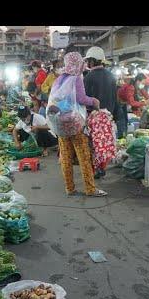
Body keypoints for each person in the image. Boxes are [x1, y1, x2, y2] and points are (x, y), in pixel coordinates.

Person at [48, 51, 106, 197]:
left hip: (60, 123)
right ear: (78, 63)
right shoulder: (76, 78)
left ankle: (70, 188)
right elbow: (81, 98)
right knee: (84, 156)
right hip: (74, 123)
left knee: (66, 157)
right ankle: (90, 189)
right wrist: (94, 101)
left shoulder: (59, 79)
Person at [83, 47, 118, 177]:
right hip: (108, 115)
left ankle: (94, 170)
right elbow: (115, 97)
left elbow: (85, 98)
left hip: (94, 116)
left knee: (93, 144)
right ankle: (102, 168)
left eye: (88, 61)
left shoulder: (89, 77)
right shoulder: (111, 75)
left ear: (92, 61)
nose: (87, 64)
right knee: (104, 143)